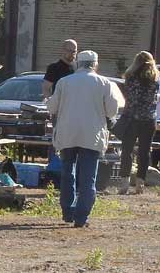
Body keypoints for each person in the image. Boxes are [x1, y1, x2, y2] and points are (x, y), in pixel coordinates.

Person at [47, 50, 121, 228]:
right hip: (92, 134)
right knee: (88, 178)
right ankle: (81, 217)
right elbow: (112, 111)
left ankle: (67, 211)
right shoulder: (105, 83)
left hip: (67, 133)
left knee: (67, 173)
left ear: (77, 64)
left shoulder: (64, 82)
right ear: (95, 64)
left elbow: (52, 107)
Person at [118, 51, 160, 195]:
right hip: (149, 119)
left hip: (131, 118)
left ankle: (124, 182)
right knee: (144, 152)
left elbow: (130, 98)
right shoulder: (155, 80)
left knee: (127, 151)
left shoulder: (130, 78)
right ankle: (140, 183)